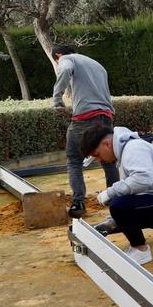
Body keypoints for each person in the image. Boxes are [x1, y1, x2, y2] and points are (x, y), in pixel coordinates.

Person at [79, 122, 153, 266]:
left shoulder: (133, 149)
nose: (99, 160)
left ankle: (140, 250)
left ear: (107, 144)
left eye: (97, 155)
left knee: (118, 206)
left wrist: (110, 192)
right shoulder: (126, 150)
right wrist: (115, 218)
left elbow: (143, 180)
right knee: (121, 210)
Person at [51, 44, 118, 218]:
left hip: (85, 118)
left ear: (58, 55)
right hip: (106, 116)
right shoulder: (97, 65)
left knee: (74, 160)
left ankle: (78, 202)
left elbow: (64, 70)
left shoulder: (66, 59)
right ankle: (116, 198)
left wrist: (57, 98)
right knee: (108, 159)